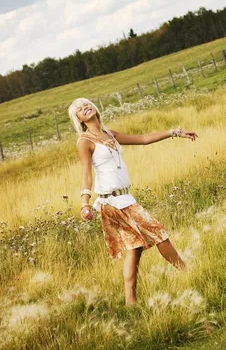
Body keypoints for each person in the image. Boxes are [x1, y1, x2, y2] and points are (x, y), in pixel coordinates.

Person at [68, 97, 198, 305]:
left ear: (94, 107)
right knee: (158, 233)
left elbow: (144, 138)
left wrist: (175, 132)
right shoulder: (85, 141)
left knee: (135, 247)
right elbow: (86, 174)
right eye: (79, 109)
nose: (84, 107)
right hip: (112, 202)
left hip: (125, 196)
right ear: (79, 119)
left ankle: (131, 302)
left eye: (86, 104)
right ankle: (189, 273)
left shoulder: (110, 134)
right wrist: (84, 203)